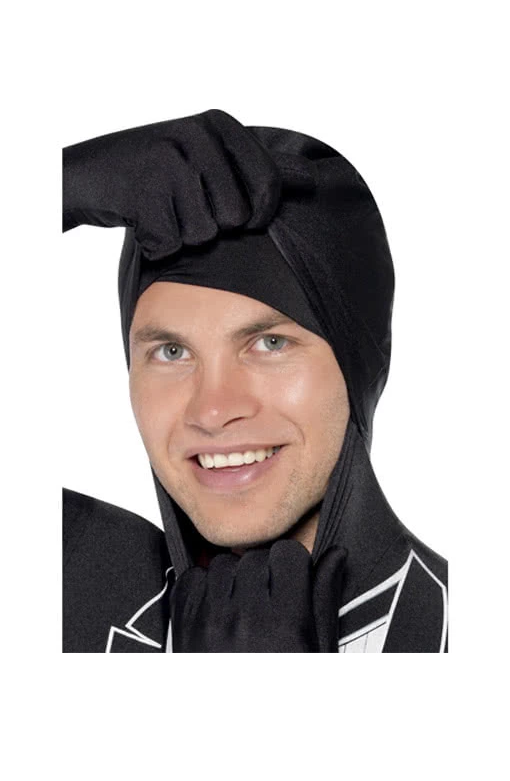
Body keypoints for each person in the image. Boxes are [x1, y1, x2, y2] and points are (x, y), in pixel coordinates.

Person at [63, 109, 448, 652]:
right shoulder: (78, 588)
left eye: (269, 344)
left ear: (358, 365)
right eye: (172, 352)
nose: (213, 410)